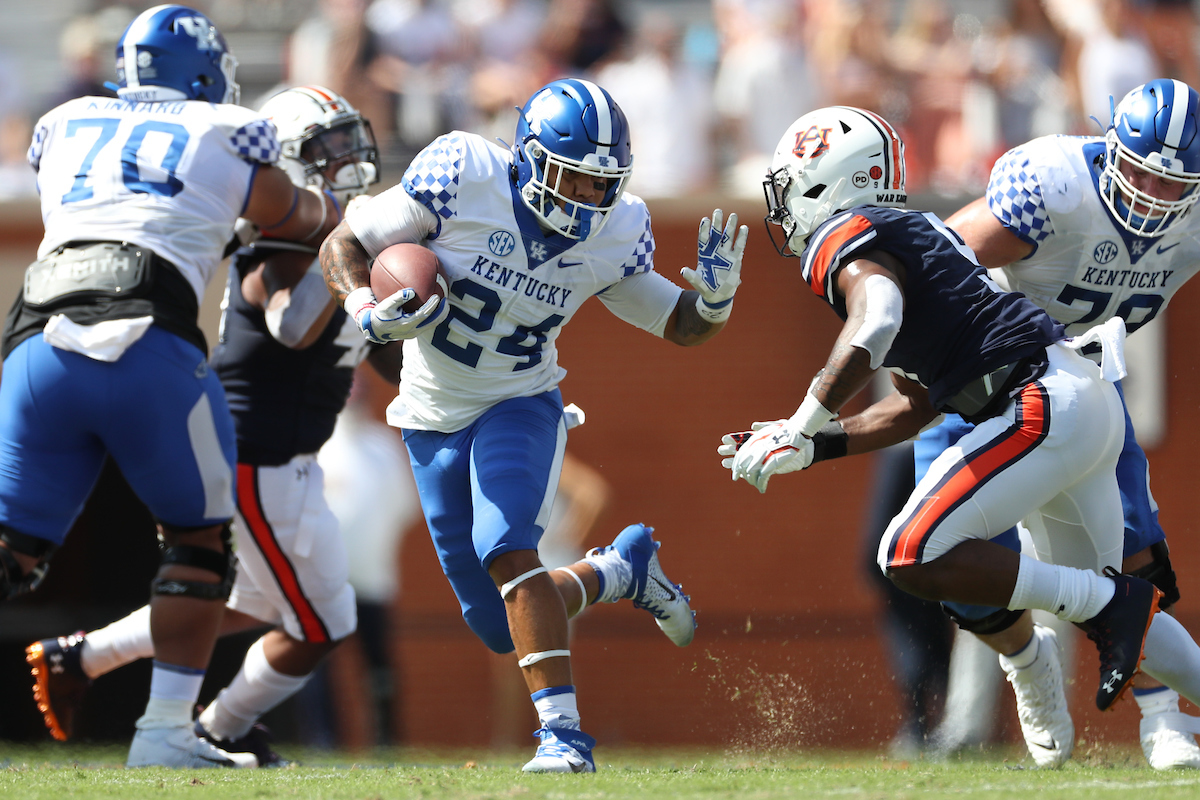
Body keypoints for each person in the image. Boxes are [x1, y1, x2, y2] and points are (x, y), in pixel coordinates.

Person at [718, 104, 1200, 761]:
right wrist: (814, 443)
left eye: (786, 189)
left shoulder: (847, 235)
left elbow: (878, 315)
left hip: (1038, 402)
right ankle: (1097, 617)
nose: (781, 210)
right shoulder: (912, 234)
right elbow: (916, 406)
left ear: (822, 181)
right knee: (1090, 581)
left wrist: (805, 416)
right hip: (1071, 396)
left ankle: (1103, 612)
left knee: (910, 552)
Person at [318, 77, 744, 772]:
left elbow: (679, 323)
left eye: (598, 184)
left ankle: (563, 737)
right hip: (428, 414)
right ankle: (618, 572)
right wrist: (367, 307)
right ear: (527, 155)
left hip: (520, 402)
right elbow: (345, 245)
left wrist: (716, 305)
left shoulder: (617, 228)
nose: (584, 199)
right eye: (570, 178)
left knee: (508, 547)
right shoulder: (464, 173)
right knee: (495, 625)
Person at [5, 5, 344, 766]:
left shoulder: (67, 120)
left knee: (14, 551)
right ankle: (162, 734)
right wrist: (347, 217)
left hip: (36, 344)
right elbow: (291, 213)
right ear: (205, 71)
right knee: (197, 541)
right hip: (148, 344)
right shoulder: (222, 129)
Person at [930, 77, 1200, 769]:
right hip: (981, 376)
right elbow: (939, 262)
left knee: (1133, 556)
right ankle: (1026, 661)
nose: (1155, 196)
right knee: (935, 558)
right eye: (1141, 172)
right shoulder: (1055, 183)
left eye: (1176, 184)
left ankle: (1163, 719)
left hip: (1084, 389)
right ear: (1112, 150)